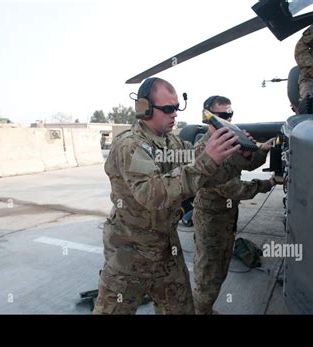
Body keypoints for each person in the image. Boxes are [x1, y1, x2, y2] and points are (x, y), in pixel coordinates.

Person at [93, 78, 266, 314]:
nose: (174, 114)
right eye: (167, 109)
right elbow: (152, 194)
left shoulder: (172, 142)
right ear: (144, 109)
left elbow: (201, 171)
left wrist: (239, 155)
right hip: (130, 253)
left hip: (166, 249)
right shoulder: (130, 146)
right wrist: (208, 160)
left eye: (177, 107)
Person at [192, 95, 280, 314]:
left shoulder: (229, 141)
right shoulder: (204, 150)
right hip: (210, 221)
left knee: (220, 271)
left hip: (227, 218)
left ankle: (205, 309)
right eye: (222, 116)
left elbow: (247, 163)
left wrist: (264, 150)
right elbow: (234, 188)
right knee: (208, 275)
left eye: (230, 114)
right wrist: (268, 183)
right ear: (208, 117)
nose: (228, 119)